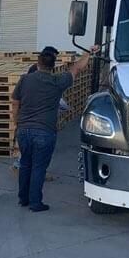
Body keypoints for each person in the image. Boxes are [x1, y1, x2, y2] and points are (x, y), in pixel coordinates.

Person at [12, 45, 97, 212]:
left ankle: (23, 198)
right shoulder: (58, 81)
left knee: (25, 164)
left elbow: (15, 103)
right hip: (44, 132)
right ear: (53, 66)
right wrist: (88, 53)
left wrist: (17, 123)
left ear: (38, 63)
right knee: (38, 167)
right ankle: (35, 203)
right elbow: (77, 68)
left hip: (24, 130)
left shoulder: (24, 80)